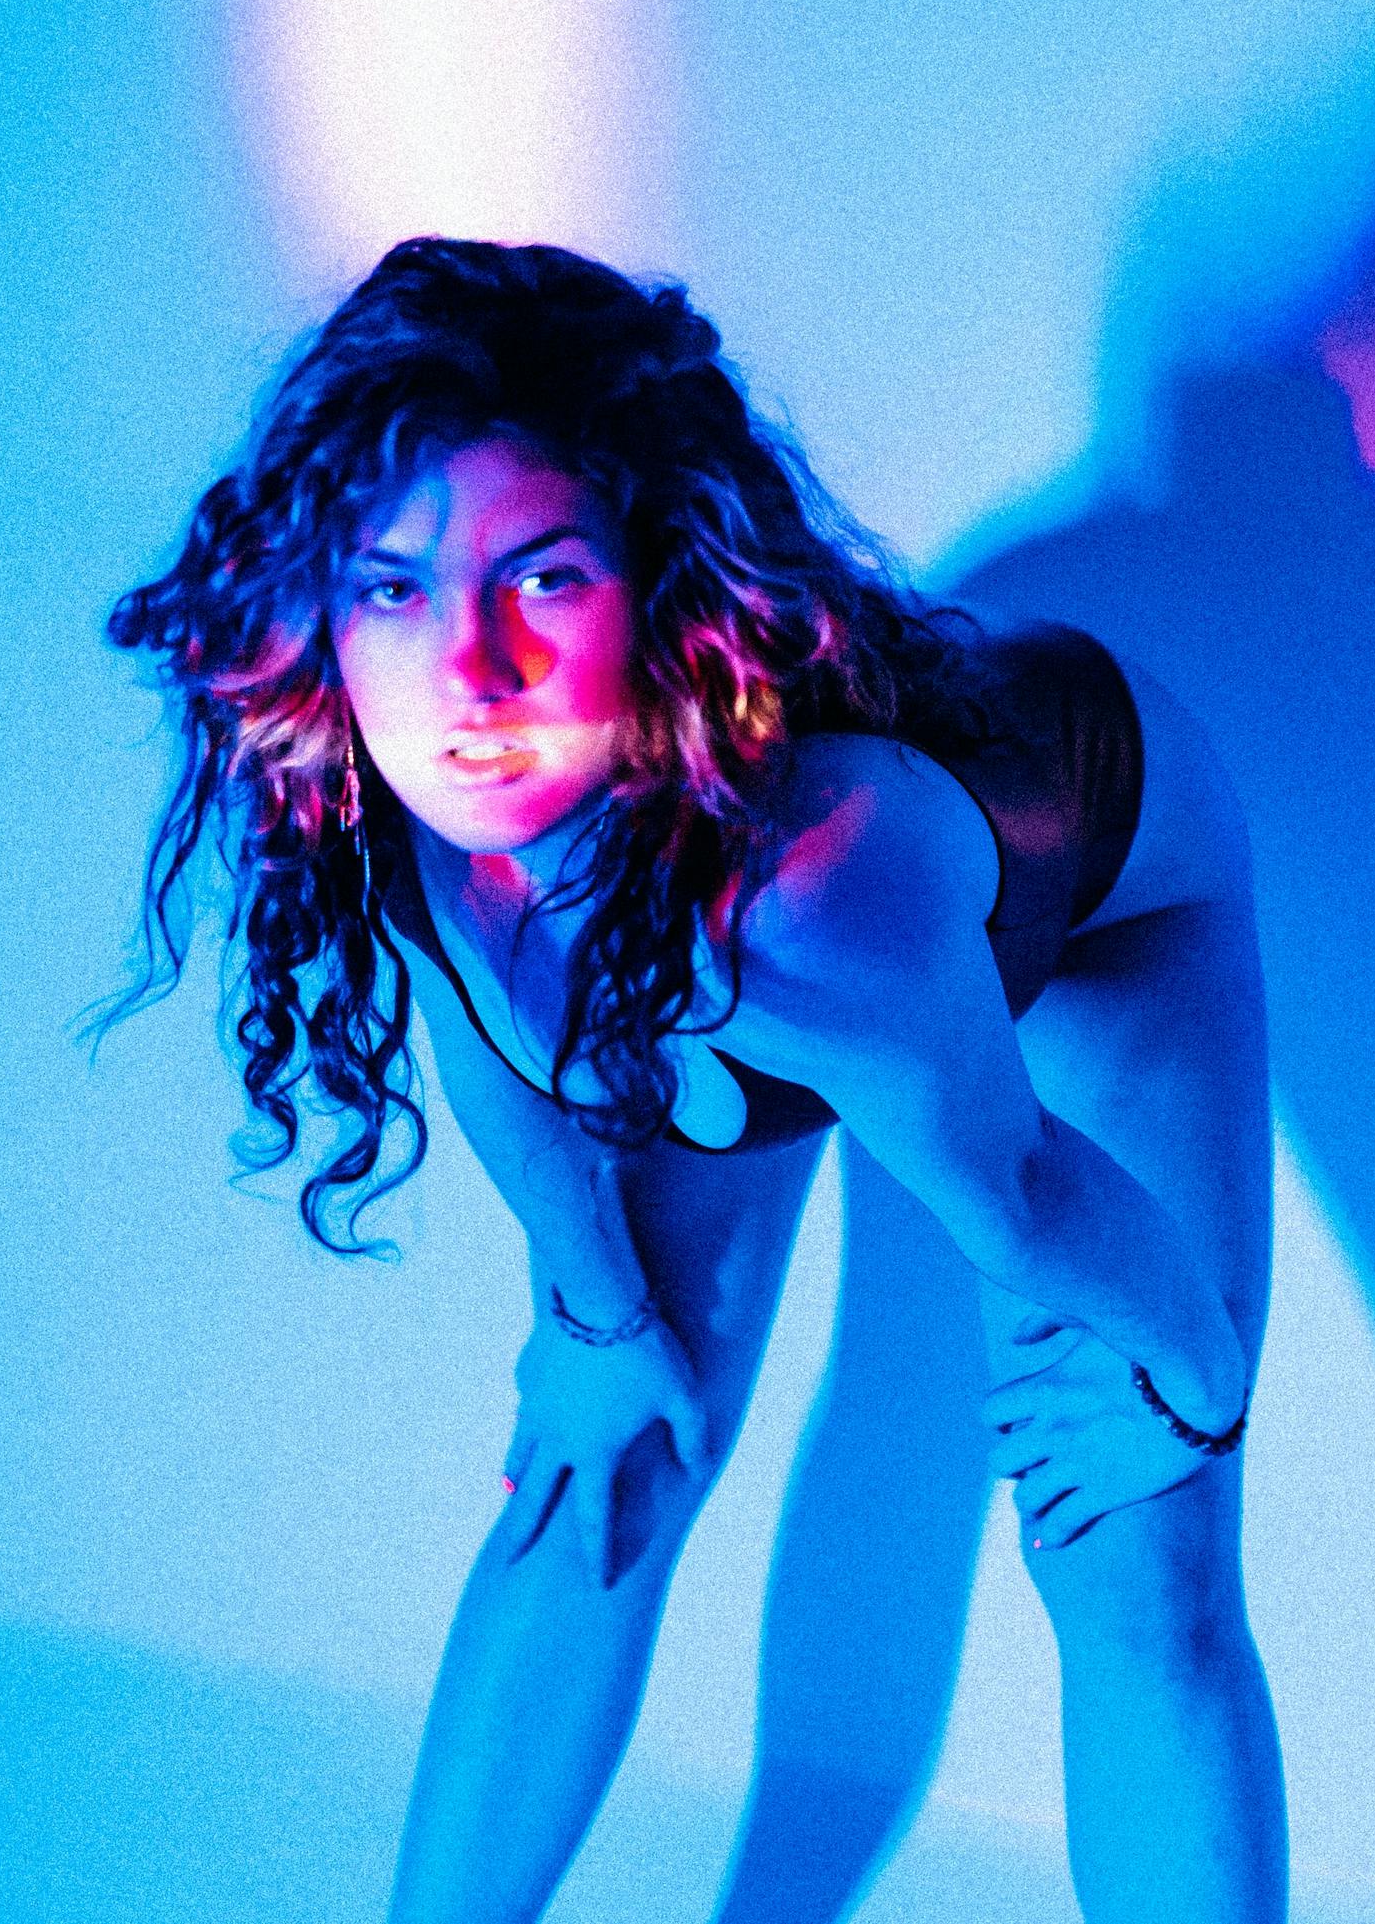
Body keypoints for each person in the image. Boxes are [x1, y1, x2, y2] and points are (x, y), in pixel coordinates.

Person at [106, 236, 1287, 1923]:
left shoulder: (811, 900)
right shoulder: (393, 786)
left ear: (652, 580)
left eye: (543, 578)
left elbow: (1028, 1198)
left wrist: (1197, 1386)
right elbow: (491, 1047)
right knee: (605, 1452)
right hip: (719, 922)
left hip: (1091, 896)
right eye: (392, 586)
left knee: (1129, 1556)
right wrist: (589, 1317)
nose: (468, 673)